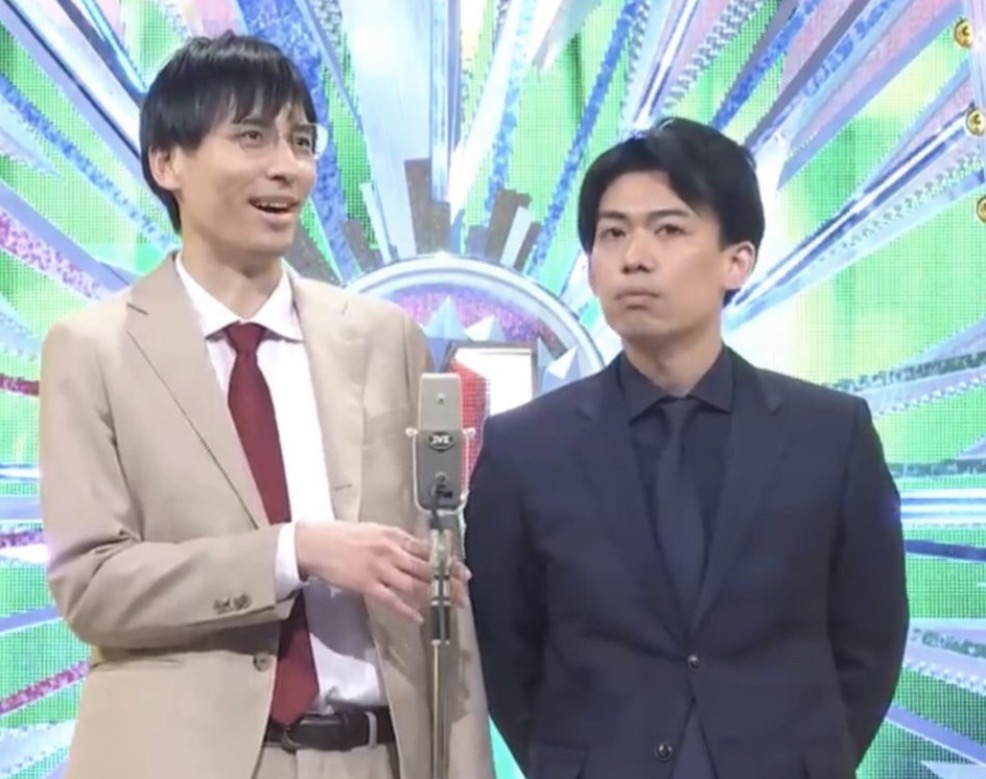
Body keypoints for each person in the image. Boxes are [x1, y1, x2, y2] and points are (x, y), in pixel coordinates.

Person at [39, 33, 493, 779]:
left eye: (301, 141)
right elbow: (92, 586)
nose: (286, 166)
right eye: (251, 137)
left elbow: (440, 585)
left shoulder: (386, 338)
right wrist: (292, 552)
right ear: (167, 163)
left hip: (375, 755)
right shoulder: (94, 349)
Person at [464, 117, 908, 779]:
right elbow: (506, 648)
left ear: (737, 259)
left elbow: (870, 636)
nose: (634, 257)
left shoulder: (830, 434)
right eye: (613, 233)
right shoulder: (525, 447)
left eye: (668, 230)